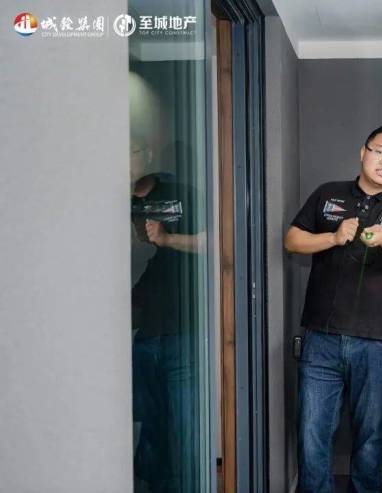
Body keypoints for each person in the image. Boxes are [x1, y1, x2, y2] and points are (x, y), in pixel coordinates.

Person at [284, 125, 382, 493]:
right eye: (380, 151)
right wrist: (332, 237)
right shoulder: (327, 194)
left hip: (377, 342)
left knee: (370, 436)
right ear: (363, 152)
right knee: (312, 431)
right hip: (321, 338)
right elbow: (292, 239)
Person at [130, 135, 205, 493]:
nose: (128, 161)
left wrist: (167, 239)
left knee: (184, 428)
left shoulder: (181, 194)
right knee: (148, 426)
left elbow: (217, 242)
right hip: (136, 332)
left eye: (134, 151)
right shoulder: (103, 199)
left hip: (180, 328)